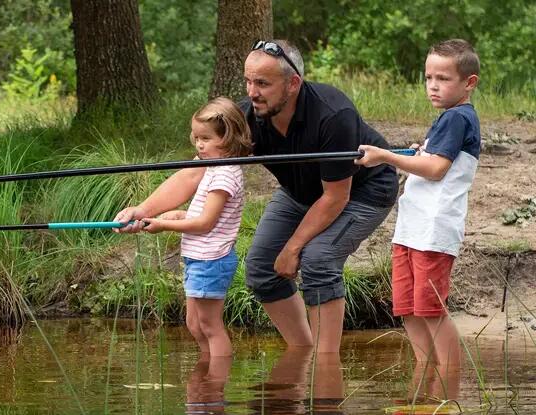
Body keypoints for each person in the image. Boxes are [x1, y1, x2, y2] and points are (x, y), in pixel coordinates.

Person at [240, 40, 399, 353]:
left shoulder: (333, 114)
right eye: (247, 81)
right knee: (260, 268)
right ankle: (303, 353)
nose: (252, 92)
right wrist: (148, 210)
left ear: (293, 83)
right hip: (302, 193)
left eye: (262, 83)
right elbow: (200, 164)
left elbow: (336, 197)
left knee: (318, 258)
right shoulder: (247, 116)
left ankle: (327, 364)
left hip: (363, 191)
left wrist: (292, 248)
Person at [355, 39, 480, 393]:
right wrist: (415, 151)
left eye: (443, 78)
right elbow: (433, 157)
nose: (433, 86)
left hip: (434, 230)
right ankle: (424, 379)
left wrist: (386, 156)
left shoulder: (459, 117)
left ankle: (448, 385)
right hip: (412, 229)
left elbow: (436, 169)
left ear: (468, 83)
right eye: (428, 78)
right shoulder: (446, 120)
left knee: (430, 308)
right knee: (407, 306)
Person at [113, 97, 253, 357]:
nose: (199, 144)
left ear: (228, 137)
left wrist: (163, 224)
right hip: (199, 257)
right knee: (194, 324)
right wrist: (175, 214)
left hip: (212, 259)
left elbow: (205, 222)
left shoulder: (224, 173)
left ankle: (215, 383)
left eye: (206, 138)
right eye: (196, 137)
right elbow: (202, 213)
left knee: (210, 325)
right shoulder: (212, 164)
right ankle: (206, 372)